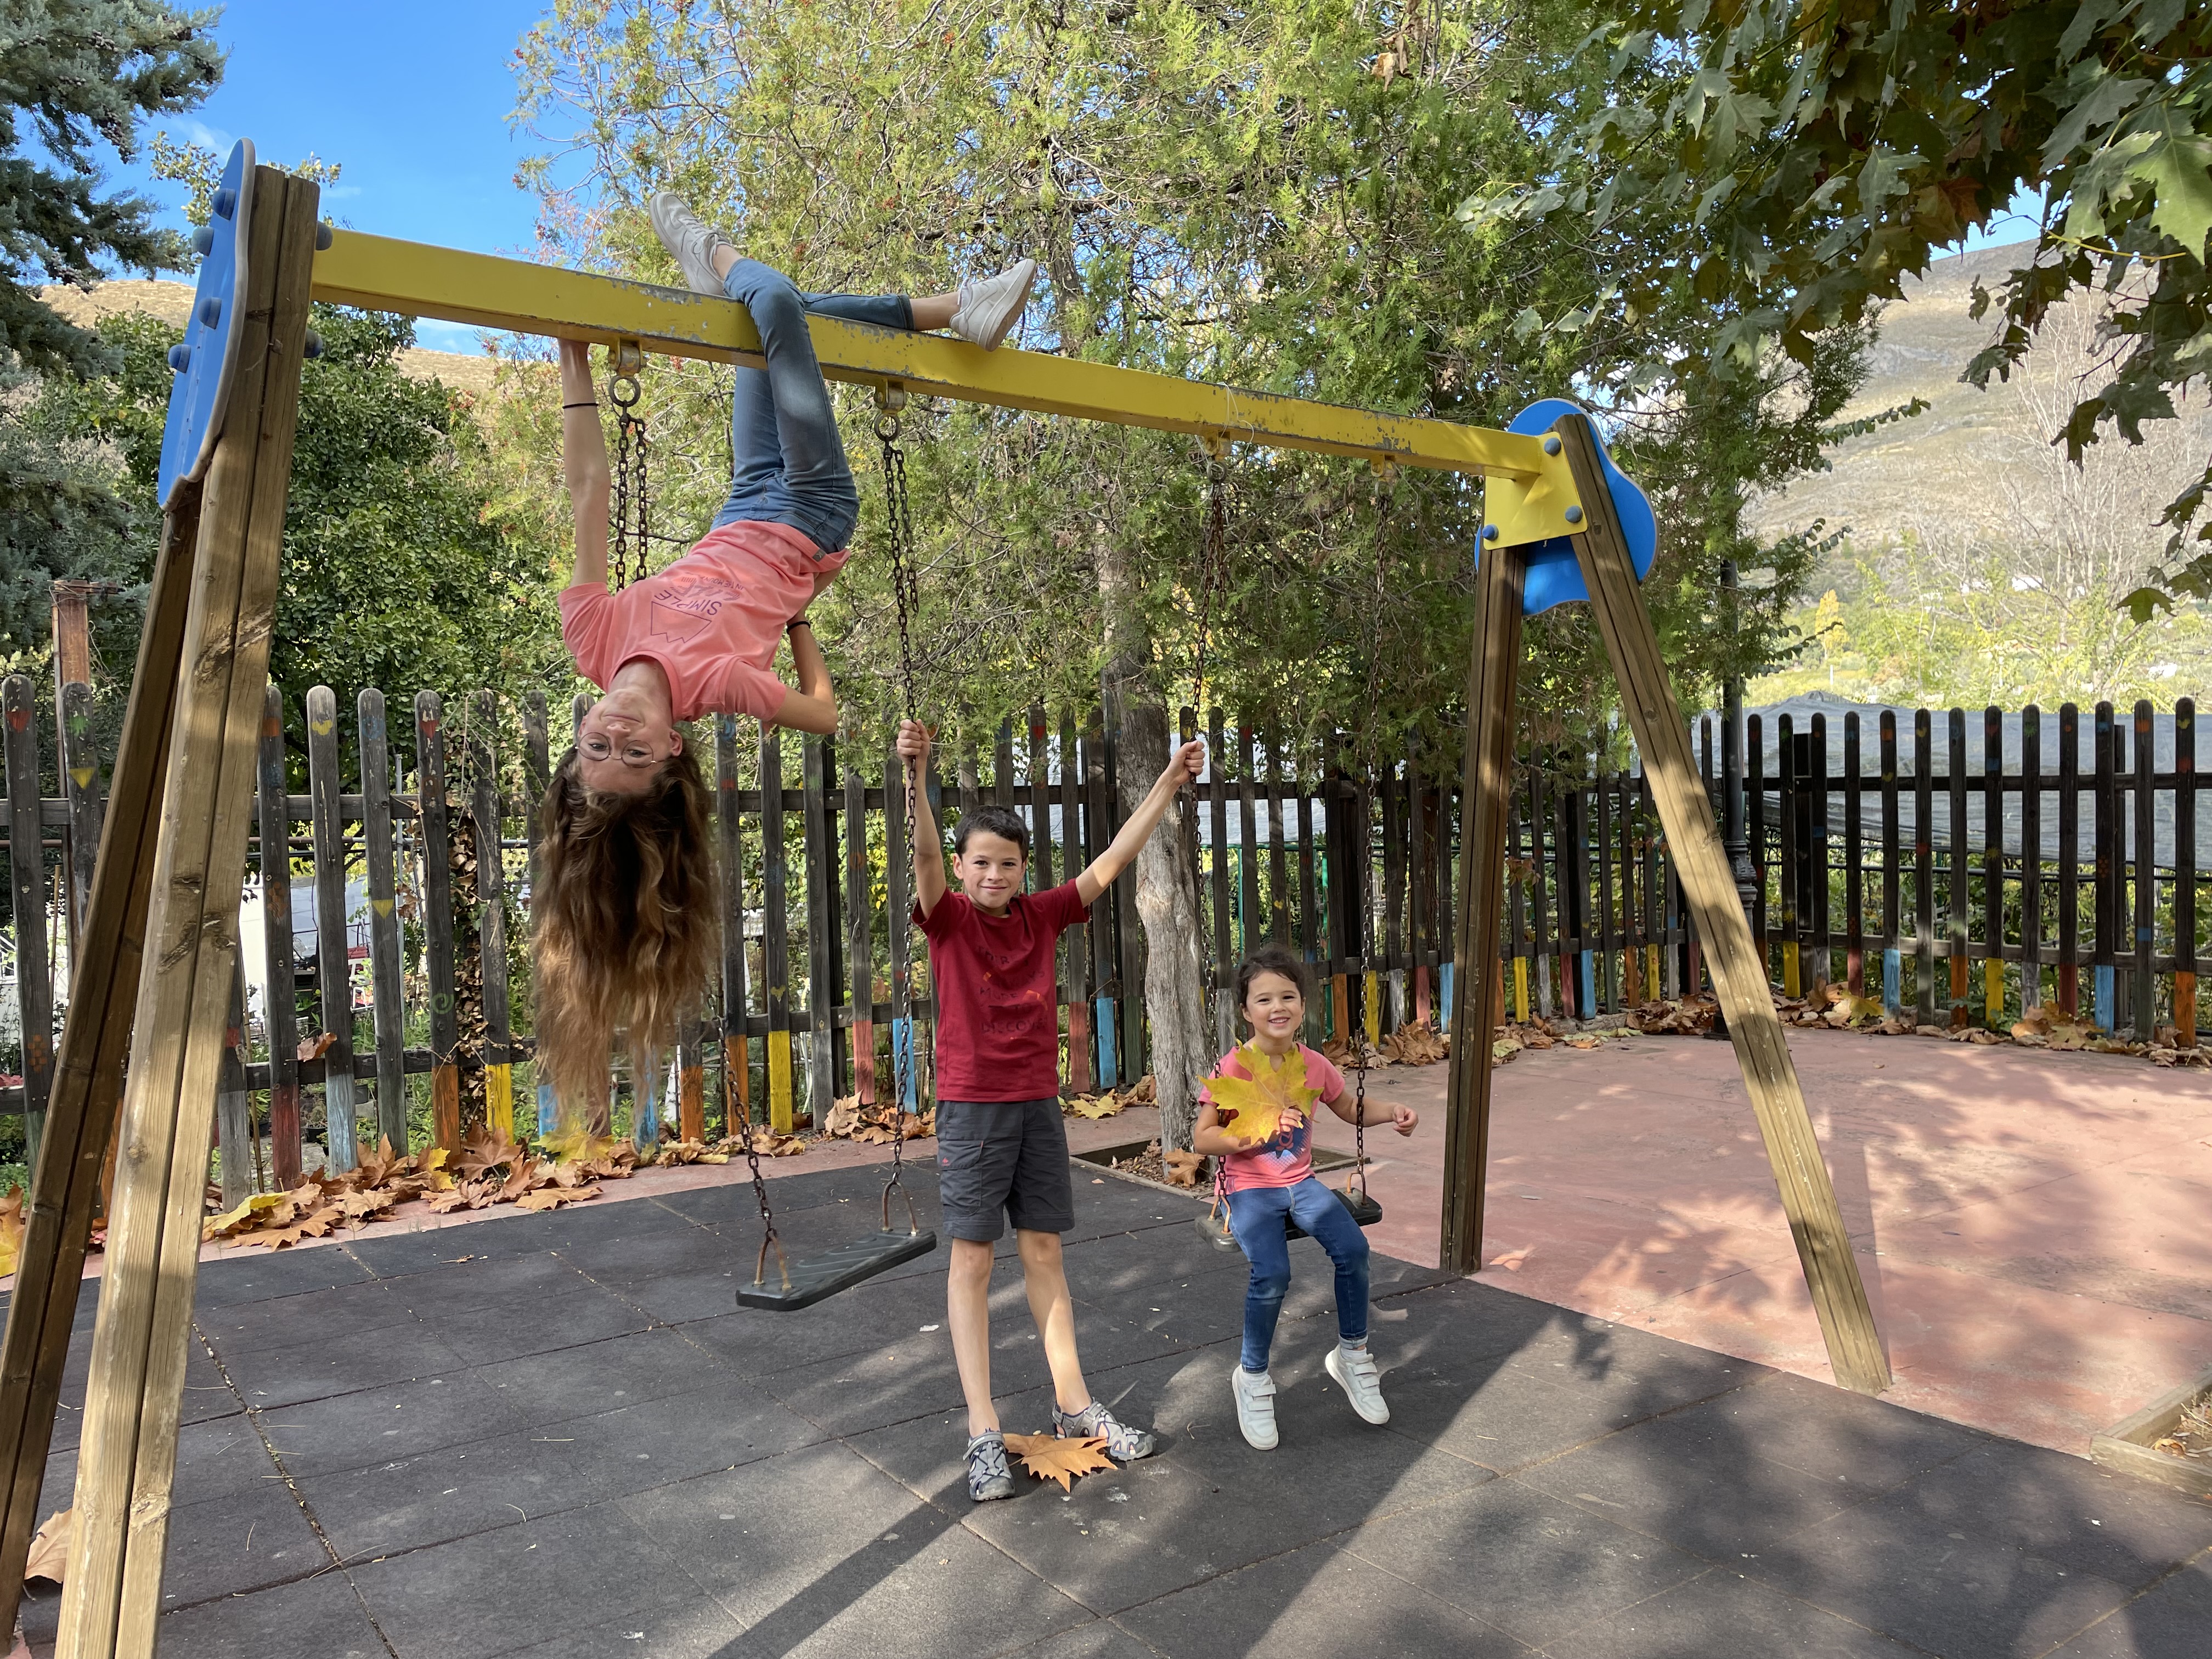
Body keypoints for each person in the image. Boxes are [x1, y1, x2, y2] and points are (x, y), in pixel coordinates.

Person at [532, 192, 1040, 1122]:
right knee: (764, 301)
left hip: (746, 497)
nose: (615, 731)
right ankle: (705, 248)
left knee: (778, 321)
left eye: (597, 746)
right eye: (632, 753)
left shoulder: (593, 637)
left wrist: (572, 360)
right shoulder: (716, 685)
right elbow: (824, 714)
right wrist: (800, 621)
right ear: (671, 751)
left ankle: (955, 313)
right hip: (811, 509)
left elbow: (588, 490)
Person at [895, 717, 1203, 1501]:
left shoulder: (1043, 914)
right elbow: (923, 855)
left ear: (1023, 869)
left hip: (1036, 1104)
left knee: (1043, 1252)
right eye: (980, 862)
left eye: (1007, 863)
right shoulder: (948, 918)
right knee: (972, 1260)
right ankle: (982, 1430)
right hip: (972, 1108)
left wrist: (1167, 784)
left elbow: (1113, 860)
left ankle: (1074, 1406)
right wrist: (915, 776)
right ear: (961, 868)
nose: (993, 874)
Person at [1192, 940, 1419, 1451]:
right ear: (1246, 1010)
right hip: (1249, 1188)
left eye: (1288, 997)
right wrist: (1249, 1138)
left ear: (1302, 1004)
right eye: (1264, 999)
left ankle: (1352, 1355)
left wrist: (1393, 1112)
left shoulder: (1313, 1064)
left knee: (1355, 1251)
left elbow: (1350, 1108)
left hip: (1301, 1183)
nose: (1278, 1007)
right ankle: (1252, 1376)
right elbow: (1202, 1139)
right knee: (1273, 1273)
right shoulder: (1233, 1068)